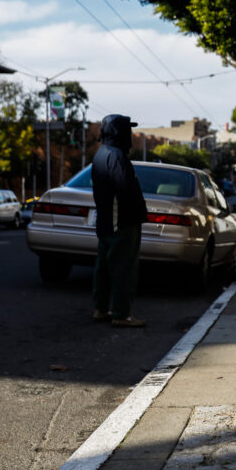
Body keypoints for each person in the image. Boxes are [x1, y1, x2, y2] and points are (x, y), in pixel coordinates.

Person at [91, 114, 148, 328]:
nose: (130, 135)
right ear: (119, 132)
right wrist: (138, 212)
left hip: (106, 220)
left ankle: (101, 309)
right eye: (128, 130)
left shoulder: (101, 154)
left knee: (103, 267)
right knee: (124, 268)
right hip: (122, 221)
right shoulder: (116, 156)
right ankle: (122, 314)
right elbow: (125, 188)